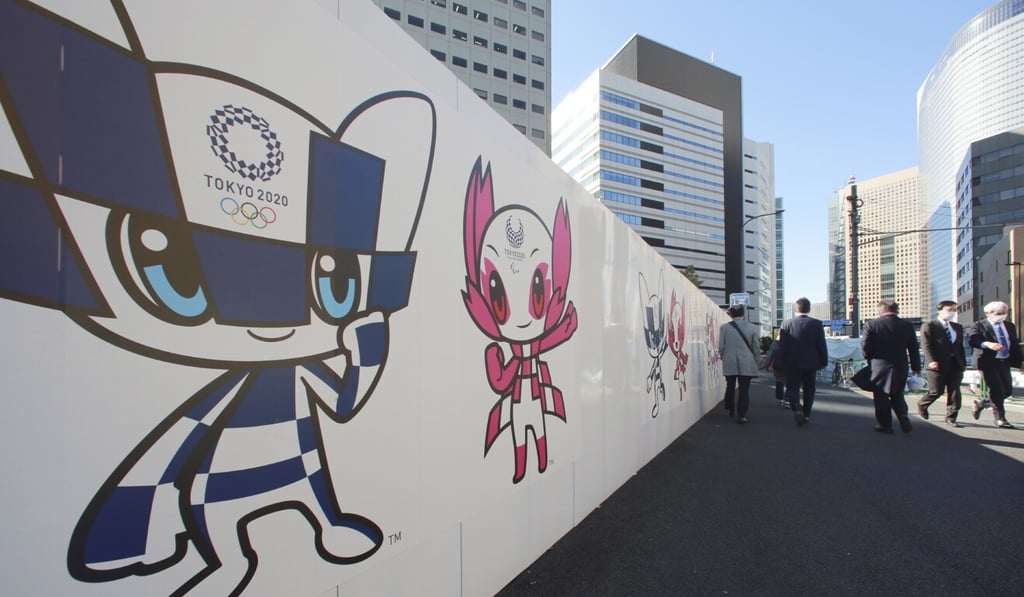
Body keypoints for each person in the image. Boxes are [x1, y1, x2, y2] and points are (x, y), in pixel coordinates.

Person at [862, 300, 922, 434]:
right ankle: (902, 414)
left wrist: (869, 357)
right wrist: (916, 368)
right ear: (896, 310)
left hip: (879, 364)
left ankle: (885, 424)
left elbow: (865, 346)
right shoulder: (907, 326)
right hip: (900, 364)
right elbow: (913, 349)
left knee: (880, 394)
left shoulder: (872, 325)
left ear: (880, 311)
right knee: (897, 392)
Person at [967, 301, 1020, 429]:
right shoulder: (979, 325)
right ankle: (1000, 419)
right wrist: (988, 344)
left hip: (1004, 361)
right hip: (987, 362)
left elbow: (1015, 345)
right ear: (988, 313)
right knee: (997, 390)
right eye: (998, 314)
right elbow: (973, 340)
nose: (1002, 316)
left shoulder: (1009, 326)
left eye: (1004, 313)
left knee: (1006, 391)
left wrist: (1020, 362)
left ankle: (981, 403)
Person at [778, 297, 829, 426]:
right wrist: (824, 361)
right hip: (811, 362)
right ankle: (806, 414)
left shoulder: (787, 324)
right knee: (809, 389)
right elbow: (821, 345)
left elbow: (782, 346)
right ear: (809, 309)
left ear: (796, 309)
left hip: (792, 362)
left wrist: (780, 361)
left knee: (792, 387)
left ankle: (796, 406)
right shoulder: (817, 324)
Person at [918, 300, 967, 427]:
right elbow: (926, 345)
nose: (952, 312)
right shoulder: (930, 325)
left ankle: (951, 417)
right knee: (936, 391)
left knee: (955, 391)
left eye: (954, 310)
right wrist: (931, 361)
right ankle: (923, 404)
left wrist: (963, 363)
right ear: (940, 310)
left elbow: (959, 346)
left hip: (955, 364)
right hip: (937, 364)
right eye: (949, 310)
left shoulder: (957, 327)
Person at [718, 304, 760, 424]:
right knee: (744, 389)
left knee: (730, 385)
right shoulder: (752, 327)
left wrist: (723, 357)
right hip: (747, 362)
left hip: (729, 360)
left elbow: (721, 347)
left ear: (730, 314)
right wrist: (756, 362)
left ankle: (730, 408)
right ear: (743, 314)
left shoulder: (724, 328)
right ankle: (741, 415)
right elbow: (756, 347)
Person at [764, 329, 788, 408]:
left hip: (778, 365)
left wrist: (766, 365)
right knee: (789, 382)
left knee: (779, 381)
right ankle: (787, 400)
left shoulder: (775, 343)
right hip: (789, 365)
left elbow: (770, 355)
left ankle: (780, 398)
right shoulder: (791, 342)